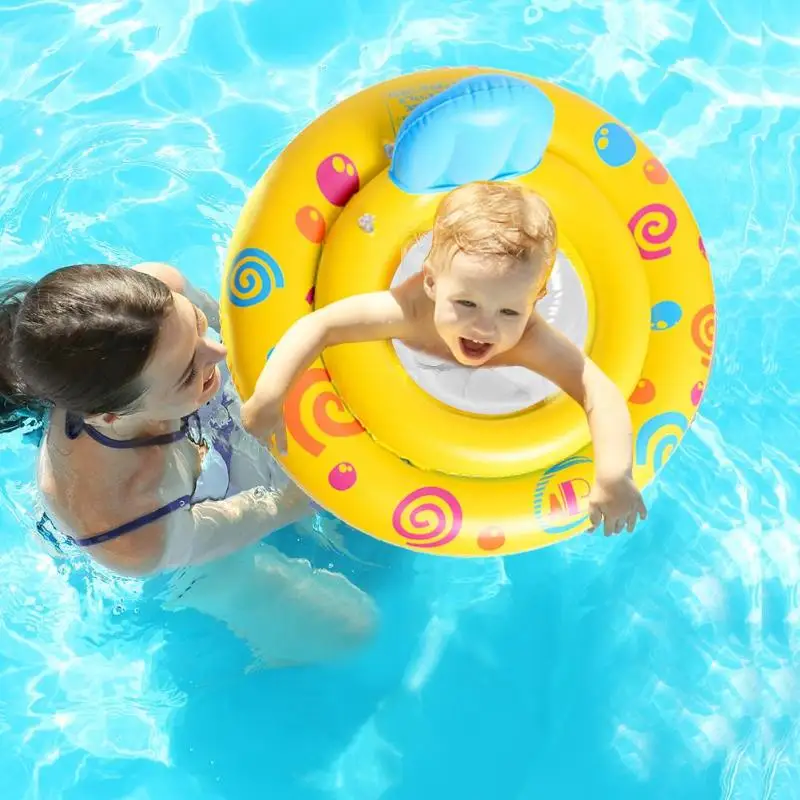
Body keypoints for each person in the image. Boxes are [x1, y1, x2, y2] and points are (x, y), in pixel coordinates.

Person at [0, 261, 376, 663]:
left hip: (169, 414)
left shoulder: (158, 295)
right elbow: (280, 506)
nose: (218, 351)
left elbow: (241, 336)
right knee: (351, 628)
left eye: (196, 323)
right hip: (178, 527)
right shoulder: (126, 528)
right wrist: (351, 463)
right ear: (110, 416)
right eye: (186, 372)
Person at [241, 181, 647, 536]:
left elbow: (599, 392)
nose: (484, 327)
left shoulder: (529, 338)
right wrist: (269, 397)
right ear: (432, 284)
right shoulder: (408, 312)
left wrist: (614, 475)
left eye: (509, 311)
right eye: (465, 303)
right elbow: (320, 326)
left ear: (536, 300)